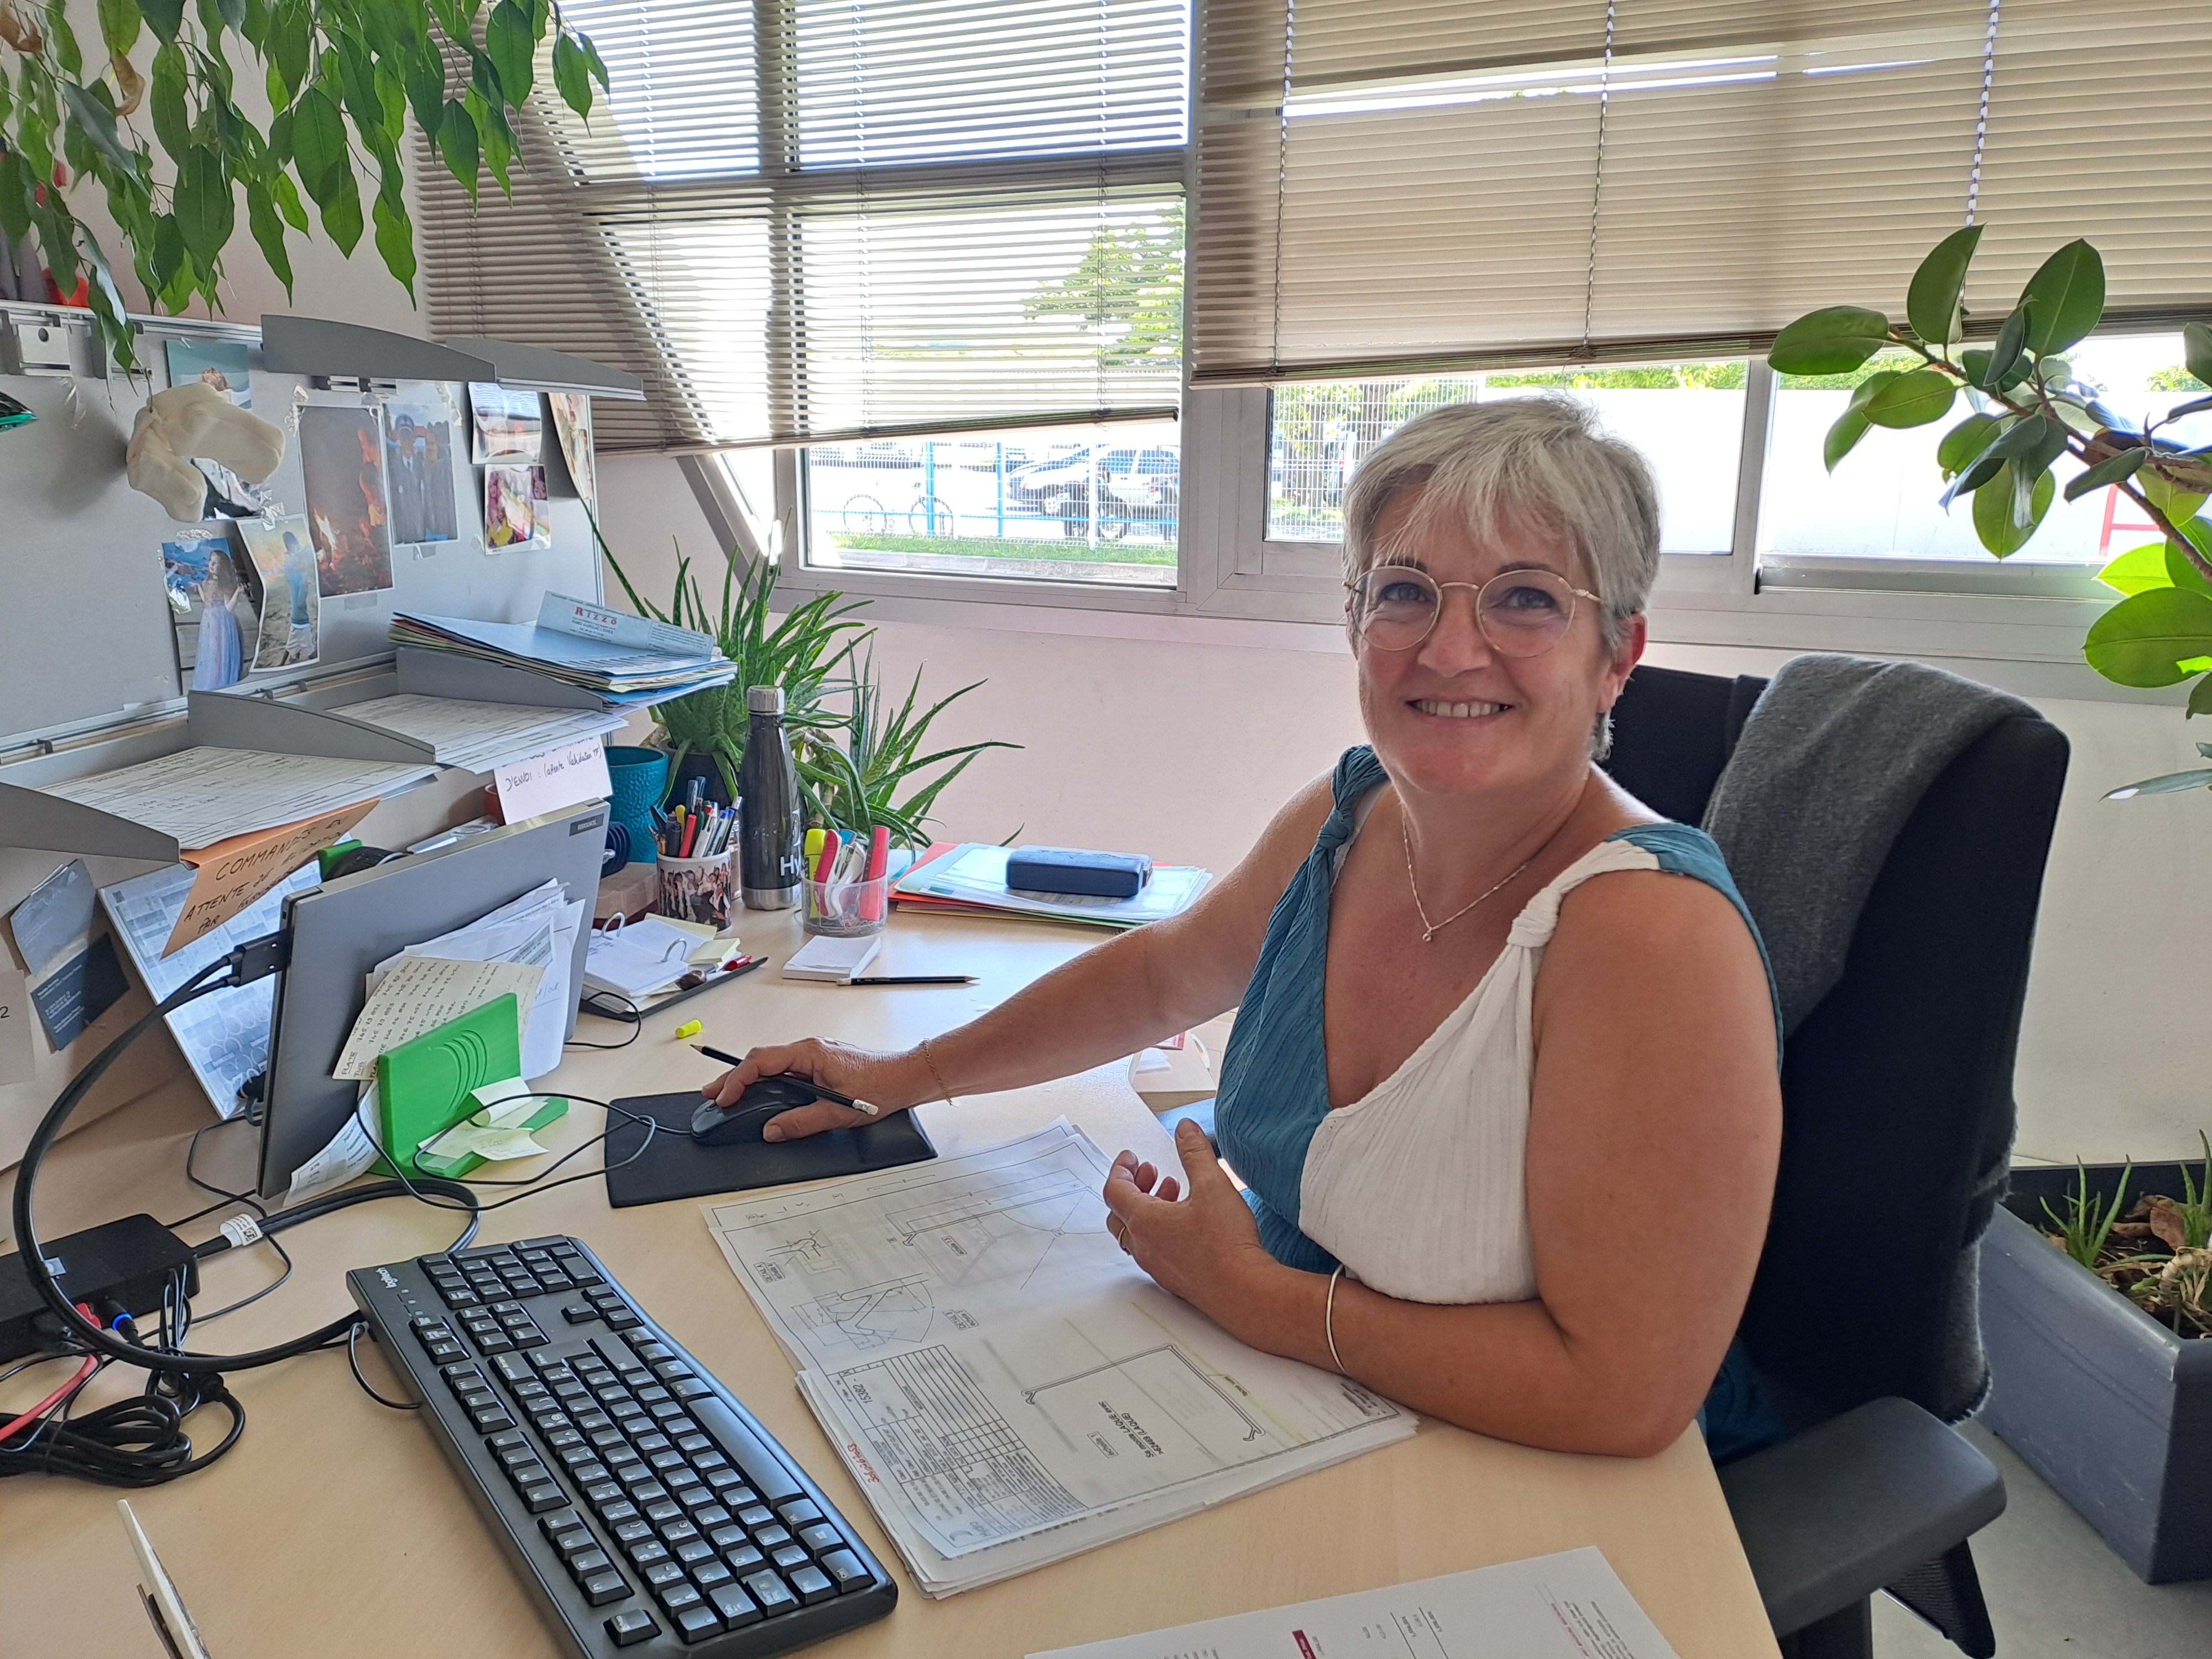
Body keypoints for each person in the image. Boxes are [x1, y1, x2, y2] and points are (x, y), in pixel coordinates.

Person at [706, 397, 1784, 1459]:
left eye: (1524, 599)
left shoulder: (1651, 936)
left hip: (1525, 1474)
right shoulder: (1347, 813)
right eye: (1404, 591)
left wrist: (1251, 1296)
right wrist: (905, 1074)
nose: (1452, 649)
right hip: (1279, 1406)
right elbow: (1159, 980)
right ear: (1357, 624)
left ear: (1616, 652)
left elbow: (1621, 1397)